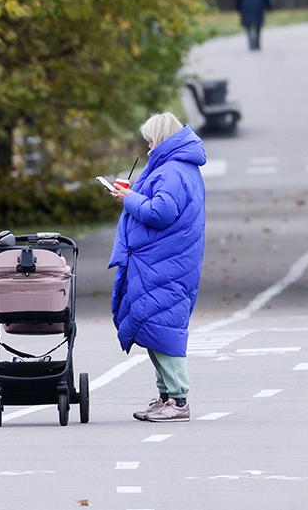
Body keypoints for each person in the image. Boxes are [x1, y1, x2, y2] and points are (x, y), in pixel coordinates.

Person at [108, 112, 207, 422]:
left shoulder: (172, 171)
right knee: (153, 326)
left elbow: (161, 211)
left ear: (161, 139)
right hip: (163, 260)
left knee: (163, 328)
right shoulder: (176, 167)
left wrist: (128, 199)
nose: (148, 147)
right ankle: (165, 394)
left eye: (150, 140)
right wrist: (132, 196)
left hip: (164, 263)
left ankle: (178, 400)